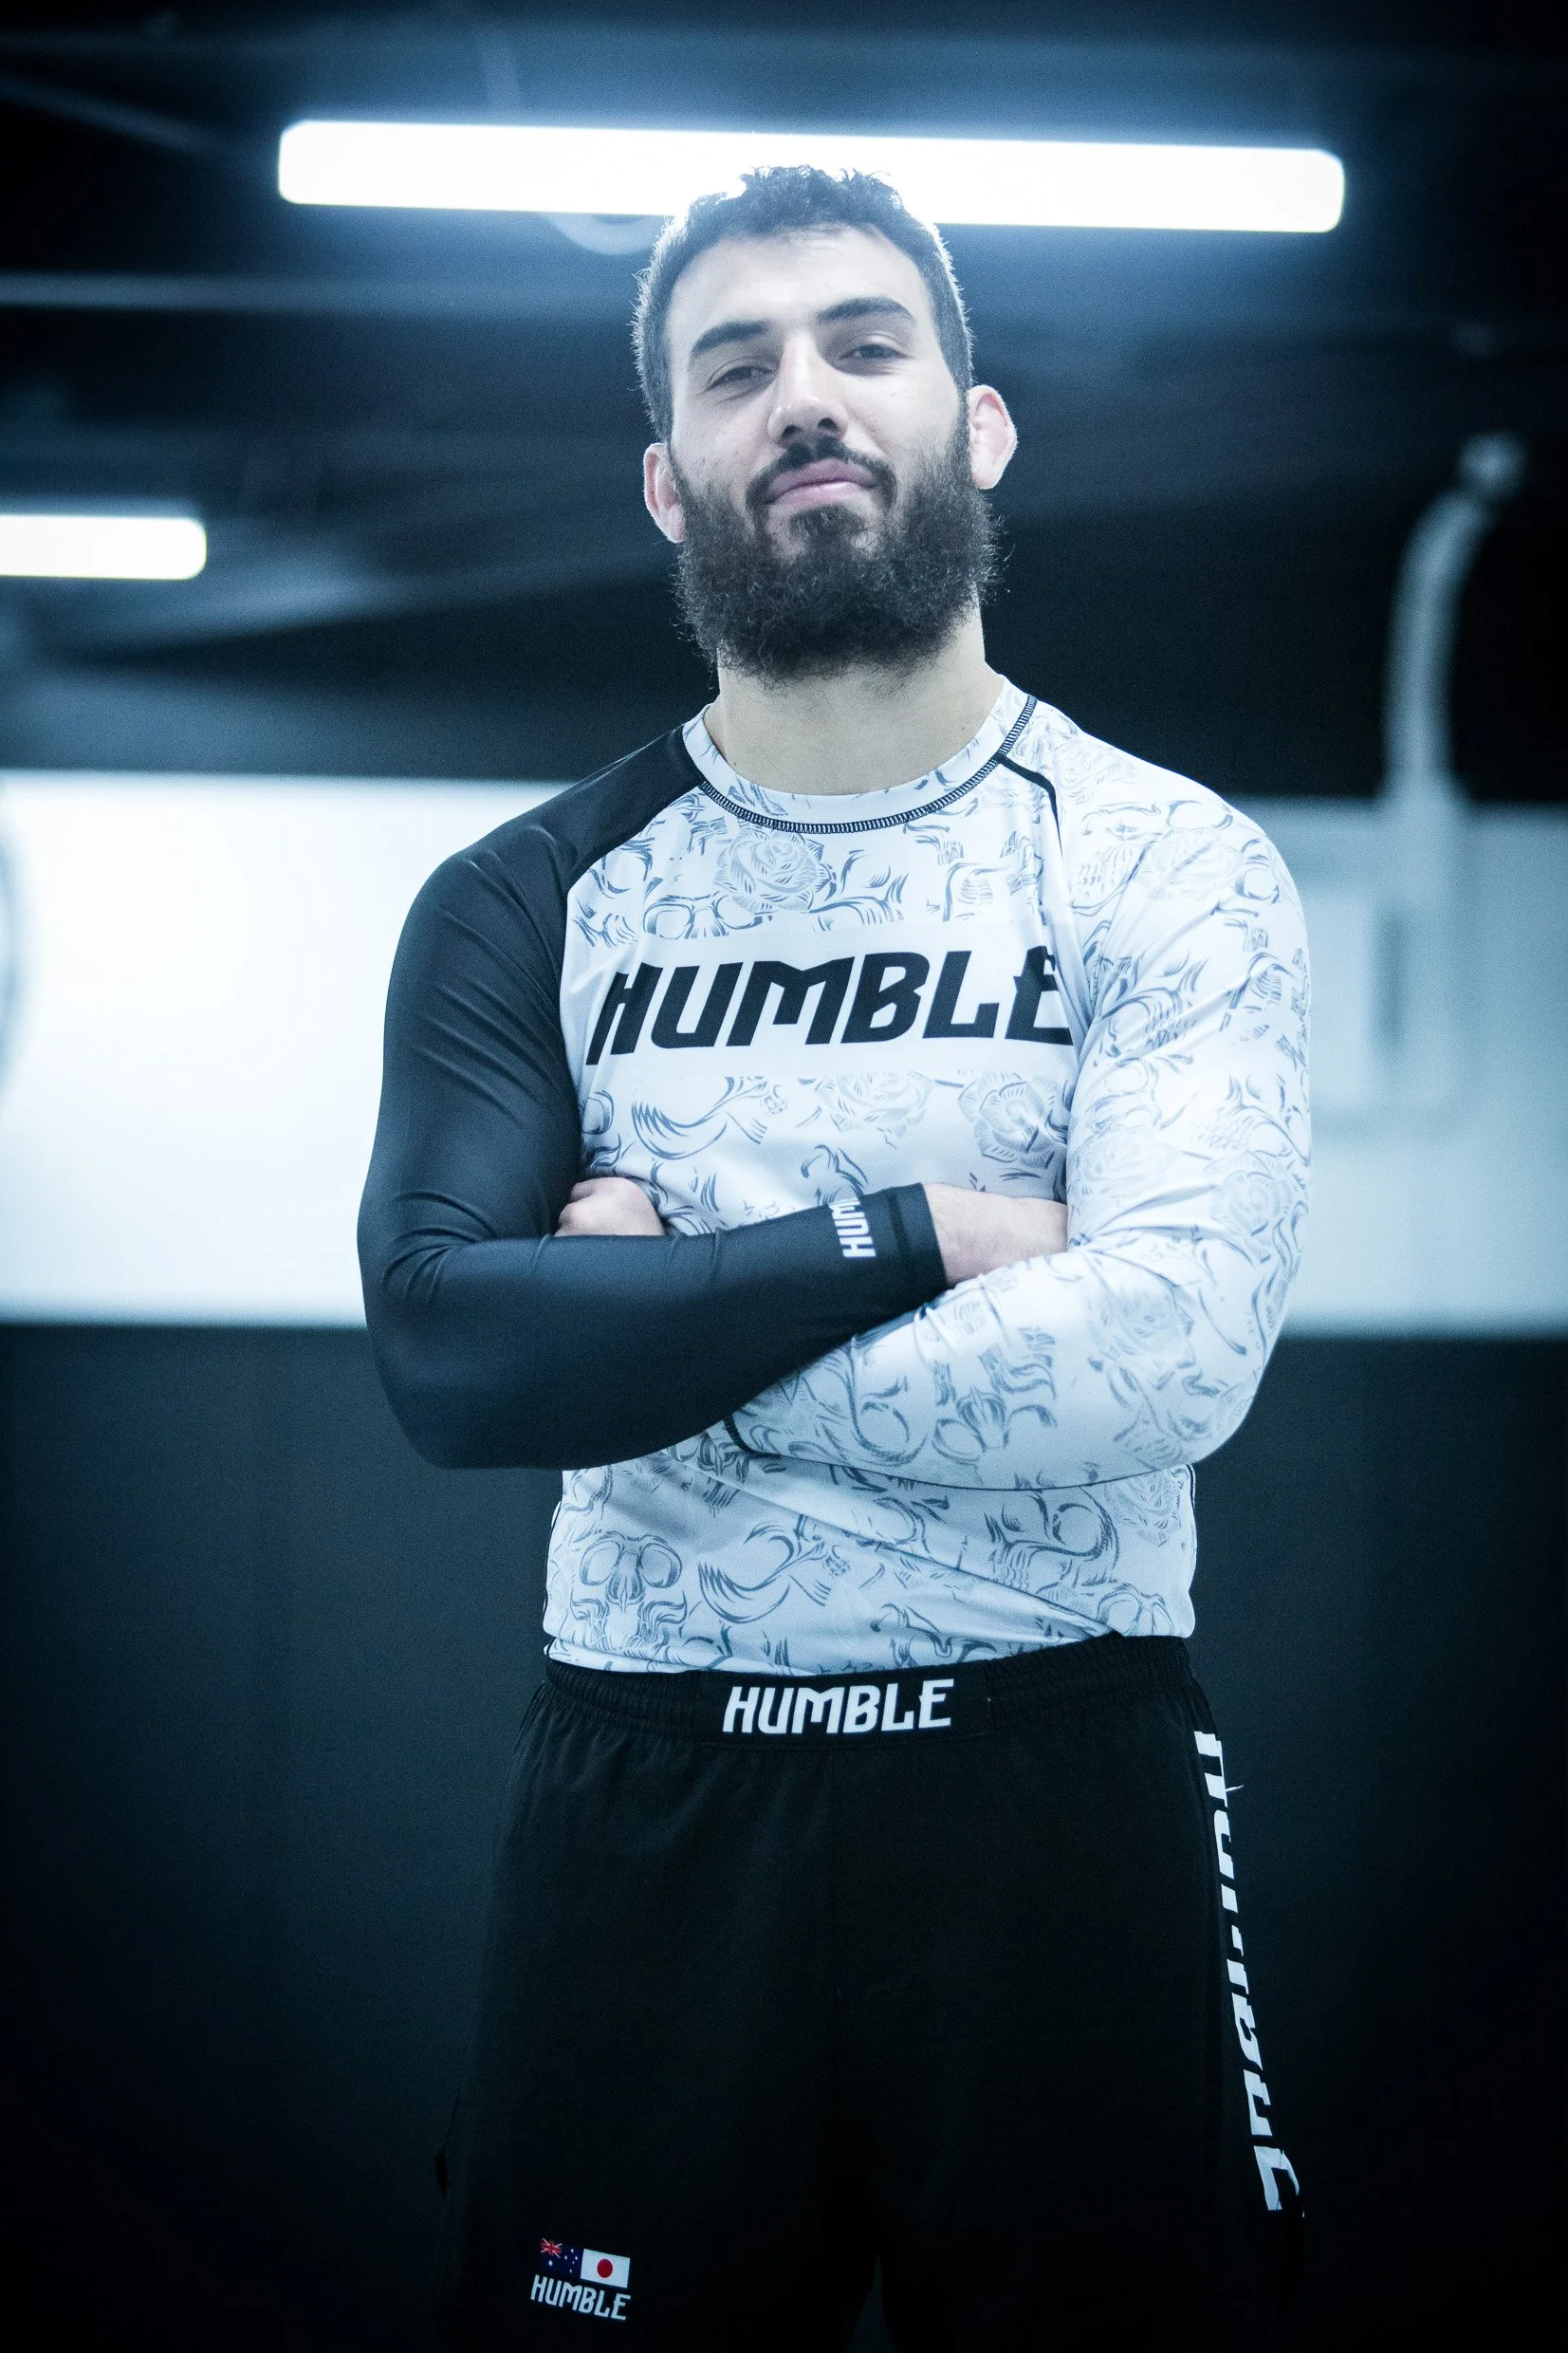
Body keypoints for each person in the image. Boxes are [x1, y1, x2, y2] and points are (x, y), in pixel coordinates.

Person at [359, 166, 1308, 2351]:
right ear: (666, 478)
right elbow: (452, 1355)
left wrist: (652, 1329)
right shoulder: (529, 897)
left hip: (1052, 1775)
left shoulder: (1166, 863)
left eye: (864, 345)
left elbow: (1165, 1352)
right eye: (736, 366)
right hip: (653, 1796)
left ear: (975, 425)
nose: (804, 395)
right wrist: (924, 1241)